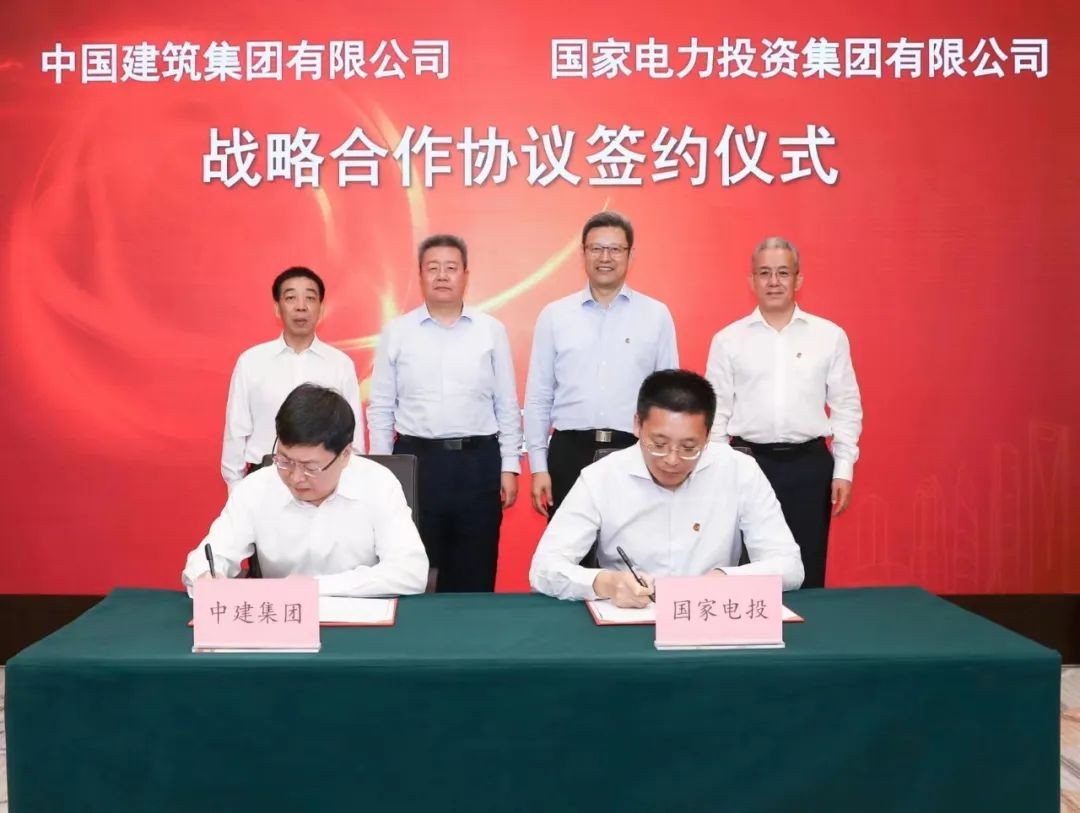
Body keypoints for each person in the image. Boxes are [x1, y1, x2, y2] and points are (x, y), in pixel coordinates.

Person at [529, 370, 803, 607]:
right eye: (659, 444)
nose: (672, 460)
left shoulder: (740, 471)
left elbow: (790, 567)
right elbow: (543, 569)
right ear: (637, 425)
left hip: (709, 618)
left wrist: (725, 579)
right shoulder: (601, 477)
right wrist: (605, 583)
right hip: (631, 620)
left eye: (689, 447)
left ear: (708, 436)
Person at [705, 237, 863, 589]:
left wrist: (843, 469)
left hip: (809, 466)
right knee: (747, 570)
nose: (773, 281)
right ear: (752, 281)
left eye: (783, 273)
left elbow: (846, 406)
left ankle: (808, 627)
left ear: (798, 279)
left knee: (807, 568)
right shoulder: (728, 340)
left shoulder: (829, 336)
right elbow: (715, 414)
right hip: (748, 463)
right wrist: (719, 471)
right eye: (764, 273)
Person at [367, 234, 522, 592]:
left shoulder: (491, 331)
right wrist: (384, 469)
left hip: (478, 463)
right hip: (417, 462)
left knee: (475, 570)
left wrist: (510, 466)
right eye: (432, 268)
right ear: (420, 275)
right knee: (415, 573)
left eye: (450, 268)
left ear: (465, 275)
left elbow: (506, 404)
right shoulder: (397, 332)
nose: (441, 276)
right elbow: (382, 408)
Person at [183, 384, 427, 596]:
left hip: (360, 623)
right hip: (281, 622)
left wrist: (313, 588)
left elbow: (410, 572)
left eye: (310, 467)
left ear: (345, 454)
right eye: (285, 461)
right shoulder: (256, 489)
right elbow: (210, 556)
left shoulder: (378, 484)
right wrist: (205, 575)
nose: (296, 478)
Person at [524, 211, 678, 519]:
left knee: (632, 544)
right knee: (570, 547)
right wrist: (539, 467)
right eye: (596, 248)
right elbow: (539, 397)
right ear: (583, 253)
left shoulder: (656, 315)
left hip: (633, 452)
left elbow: (667, 399)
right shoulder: (555, 315)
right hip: (569, 452)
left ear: (630, 254)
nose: (605, 257)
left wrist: (662, 459)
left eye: (615, 249)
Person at [221, 266, 365, 491]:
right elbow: (236, 432)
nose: (301, 306)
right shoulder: (251, 362)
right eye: (290, 298)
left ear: (321, 309)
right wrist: (236, 490)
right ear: (277, 309)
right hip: (265, 478)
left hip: (324, 481)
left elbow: (353, 439)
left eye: (310, 298)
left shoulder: (340, 364)